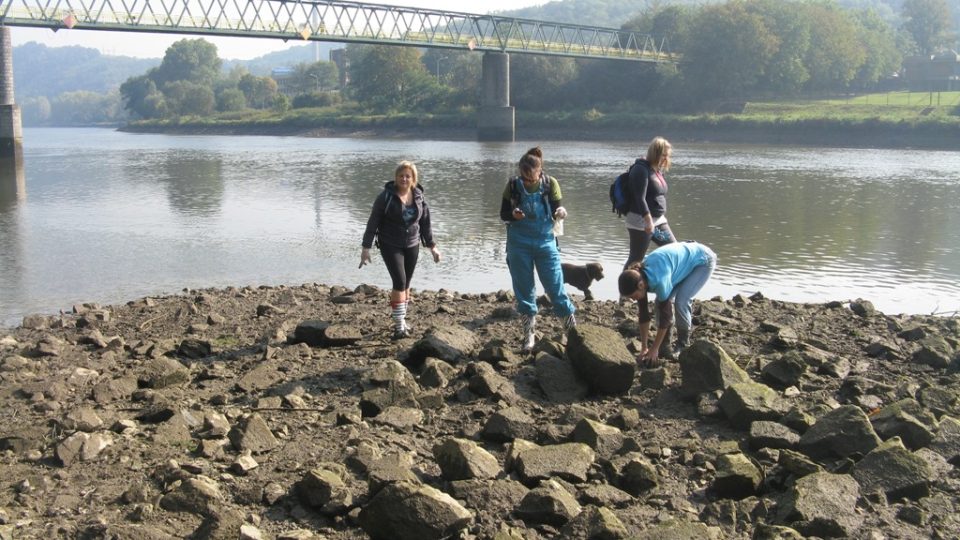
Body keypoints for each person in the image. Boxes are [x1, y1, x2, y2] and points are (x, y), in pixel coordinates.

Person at [500, 147, 576, 352]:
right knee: (524, 291)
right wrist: (513, 214)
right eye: (524, 179)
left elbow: (556, 210)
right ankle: (529, 337)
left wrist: (561, 212)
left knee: (556, 288)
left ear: (539, 172)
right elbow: (503, 214)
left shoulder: (551, 184)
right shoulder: (513, 186)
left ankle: (573, 333)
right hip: (518, 242)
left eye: (531, 179)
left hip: (545, 241)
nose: (528, 182)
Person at [360, 161, 441, 340]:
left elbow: (425, 223)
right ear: (396, 178)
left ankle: (402, 320)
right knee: (399, 281)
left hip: (412, 243)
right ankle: (398, 327)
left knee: (407, 283)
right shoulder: (385, 197)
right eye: (401, 176)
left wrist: (432, 247)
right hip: (390, 243)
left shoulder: (419, 196)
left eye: (408, 176)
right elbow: (373, 222)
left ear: (413, 179)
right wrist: (366, 247)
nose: (404, 179)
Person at [618, 241, 716, 367]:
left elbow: (666, 318)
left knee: (681, 301)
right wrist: (644, 348)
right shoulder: (640, 277)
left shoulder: (659, 280)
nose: (633, 299)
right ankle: (665, 345)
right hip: (681, 262)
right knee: (661, 301)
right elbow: (643, 315)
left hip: (703, 260)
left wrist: (653, 349)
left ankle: (682, 344)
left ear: (641, 285)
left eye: (633, 296)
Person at [624, 136, 676, 268]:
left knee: (674, 250)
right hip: (641, 221)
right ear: (655, 153)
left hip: (658, 220)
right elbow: (639, 197)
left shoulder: (656, 170)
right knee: (636, 259)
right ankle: (626, 286)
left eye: (667, 156)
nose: (666, 159)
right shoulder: (640, 170)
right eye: (663, 155)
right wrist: (648, 221)